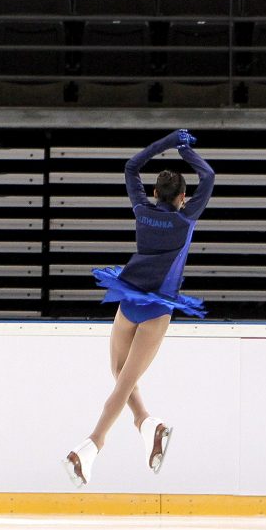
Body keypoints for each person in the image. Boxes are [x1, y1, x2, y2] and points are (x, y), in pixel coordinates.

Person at [63, 128, 215, 488]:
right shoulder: (185, 218)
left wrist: (167, 143)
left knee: (120, 374)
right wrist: (186, 151)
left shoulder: (142, 210)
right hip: (157, 307)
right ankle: (112, 437)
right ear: (183, 196)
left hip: (128, 296)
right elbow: (208, 176)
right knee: (124, 378)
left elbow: (132, 166)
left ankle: (129, 431)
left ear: (152, 193)